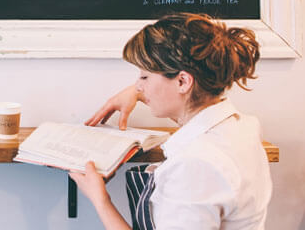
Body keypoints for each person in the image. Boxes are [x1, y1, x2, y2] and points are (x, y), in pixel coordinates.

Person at [69, 12, 271, 230]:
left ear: (183, 81)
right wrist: (138, 92)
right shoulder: (242, 126)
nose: (137, 85)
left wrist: (100, 200)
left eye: (145, 77)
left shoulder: (196, 165)